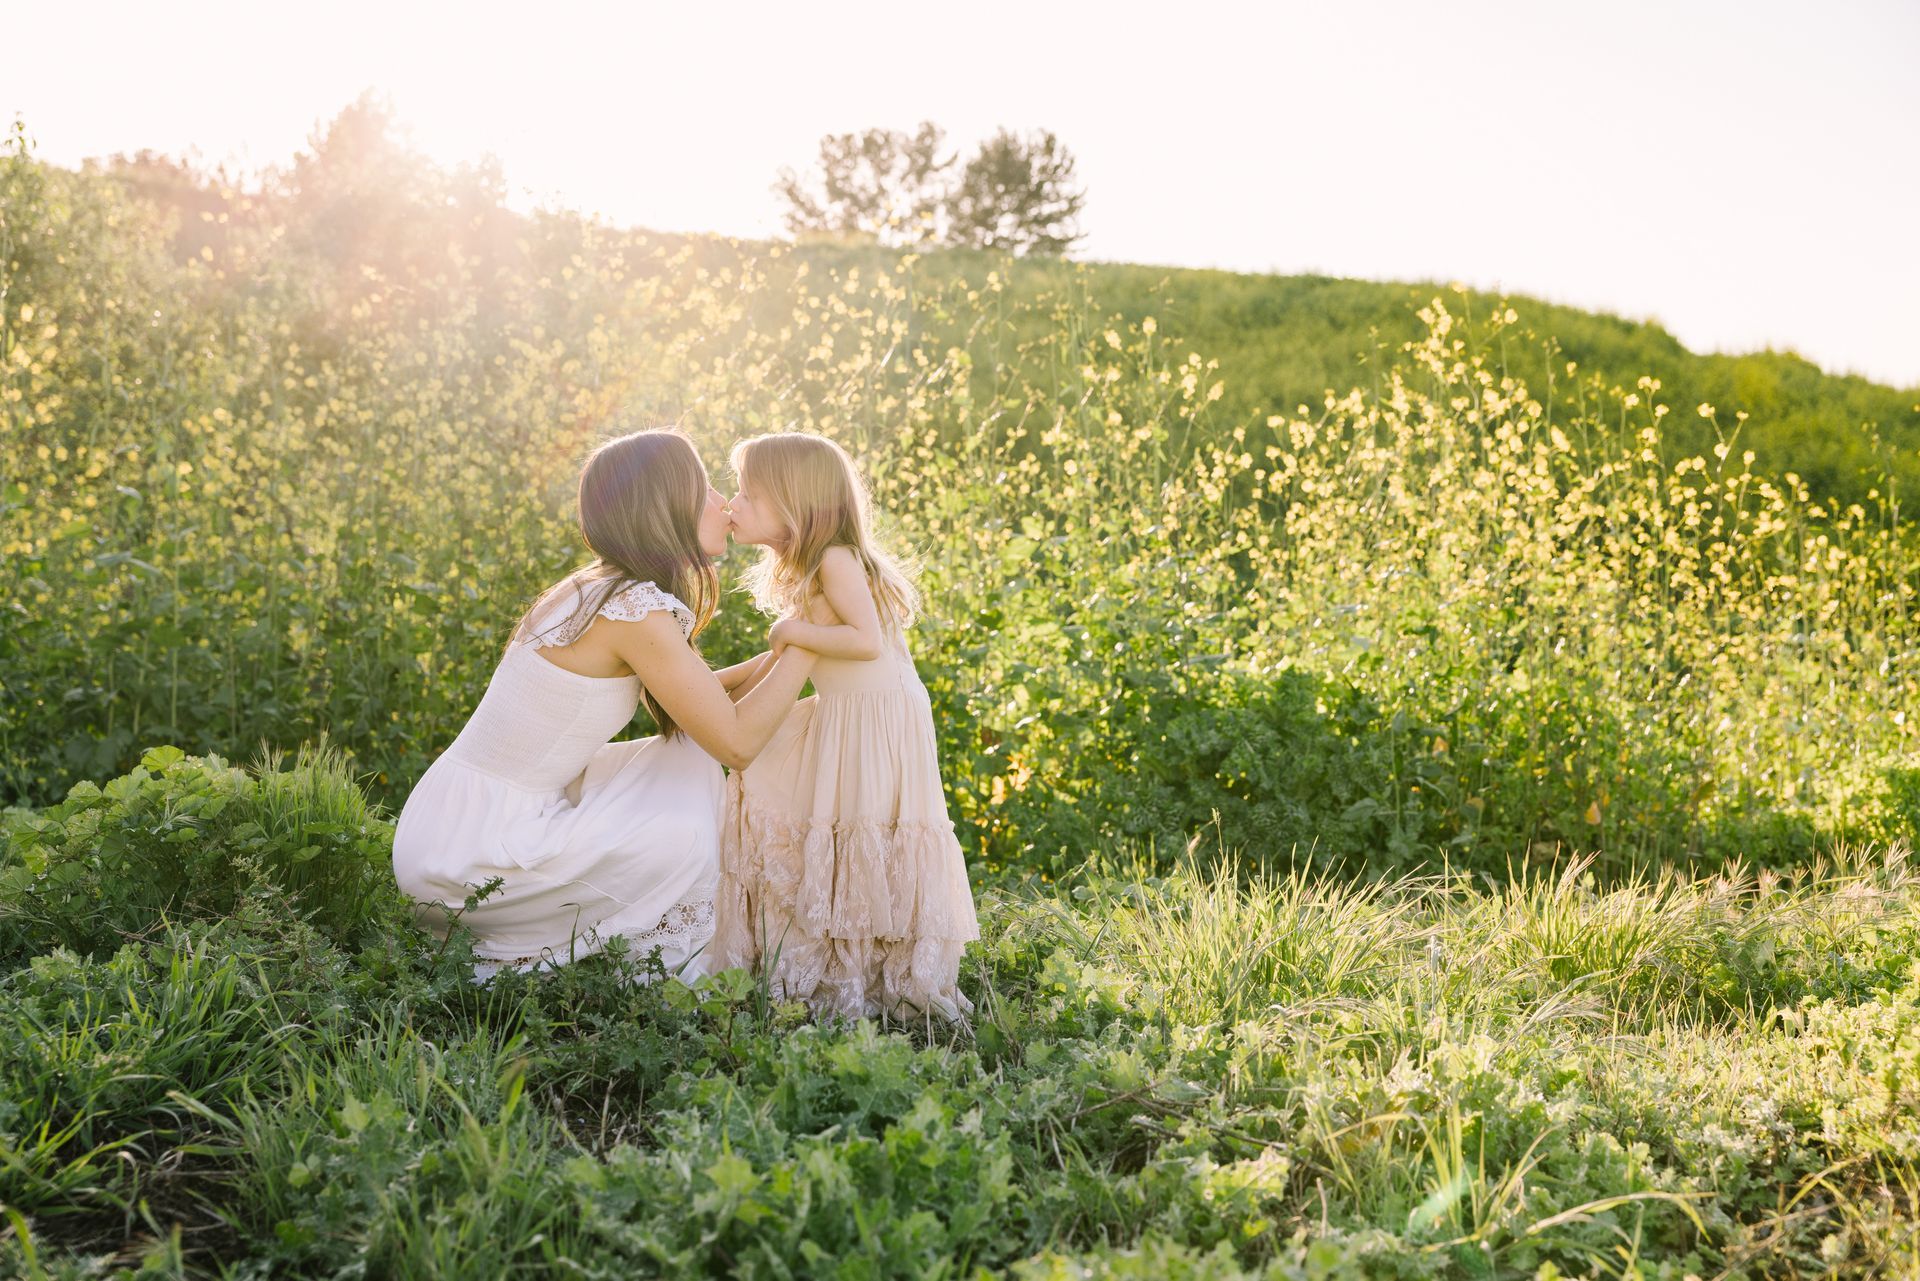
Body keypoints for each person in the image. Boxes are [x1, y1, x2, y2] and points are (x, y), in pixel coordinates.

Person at [392, 429, 816, 982]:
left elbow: (701, 696)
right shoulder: (633, 610)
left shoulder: (600, 589)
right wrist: (810, 642)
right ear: (668, 504)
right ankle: (667, 979)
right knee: (684, 825)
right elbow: (735, 743)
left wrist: (783, 650)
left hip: (450, 818)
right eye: (707, 487)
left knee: (679, 763)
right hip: (475, 850)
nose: (722, 503)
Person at [713, 431, 977, 1020]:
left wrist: (793, 632)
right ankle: (847, 958)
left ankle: (876, 965)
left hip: (877, 719)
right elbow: (796, 654)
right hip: (854, 714)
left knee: (867, 827)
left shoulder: (835, 558)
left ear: (793, 503)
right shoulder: (815, 565)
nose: (734, 505)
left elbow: (860, 641)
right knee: (828, 817)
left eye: (747, 494)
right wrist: (718, 680)